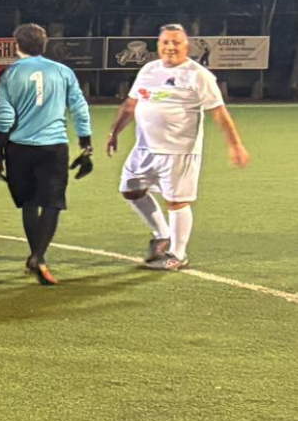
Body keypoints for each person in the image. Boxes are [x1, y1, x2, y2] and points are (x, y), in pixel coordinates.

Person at [106, 23, 249, 271]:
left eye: (175, 42)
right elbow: (131, 105)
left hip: (179, 152)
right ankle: (162, 234)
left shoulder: (198, 75)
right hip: (145, 149)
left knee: (176, 202)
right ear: (158, 45)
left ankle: (178, 254)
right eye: (165, 42)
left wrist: (235, 145)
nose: (170, 47)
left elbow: (220, 114)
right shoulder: (149, 70)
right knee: (130, 189)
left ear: (186, 46)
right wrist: (114, 132)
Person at [0, 24, 93, 285]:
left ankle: (36, 255)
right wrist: (86, 143)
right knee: (52, 203)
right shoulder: (63, 72)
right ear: (44, 45)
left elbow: (4, 116)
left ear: (17, 45)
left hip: (20, 147)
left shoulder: (10, 74)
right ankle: (38, 256)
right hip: (53, 146)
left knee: (29, 203)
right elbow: (79, 108)